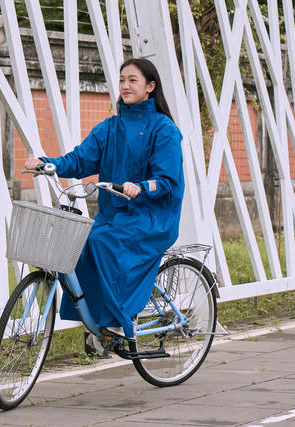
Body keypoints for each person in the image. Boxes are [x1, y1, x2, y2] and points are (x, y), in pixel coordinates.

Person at [24, 58, 184, 340]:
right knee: (76, 245)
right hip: (114, 215)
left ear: (150, 86)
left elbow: (168, 180)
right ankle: (97, 322)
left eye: (133, 80)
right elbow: (80, 159)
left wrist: (141, 187)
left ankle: (118, 318)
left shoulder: (164, 129)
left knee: (102, 243)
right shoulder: (109, 128)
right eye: (122, 79)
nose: (125, 85)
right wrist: (47, 163)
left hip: (151, 217)